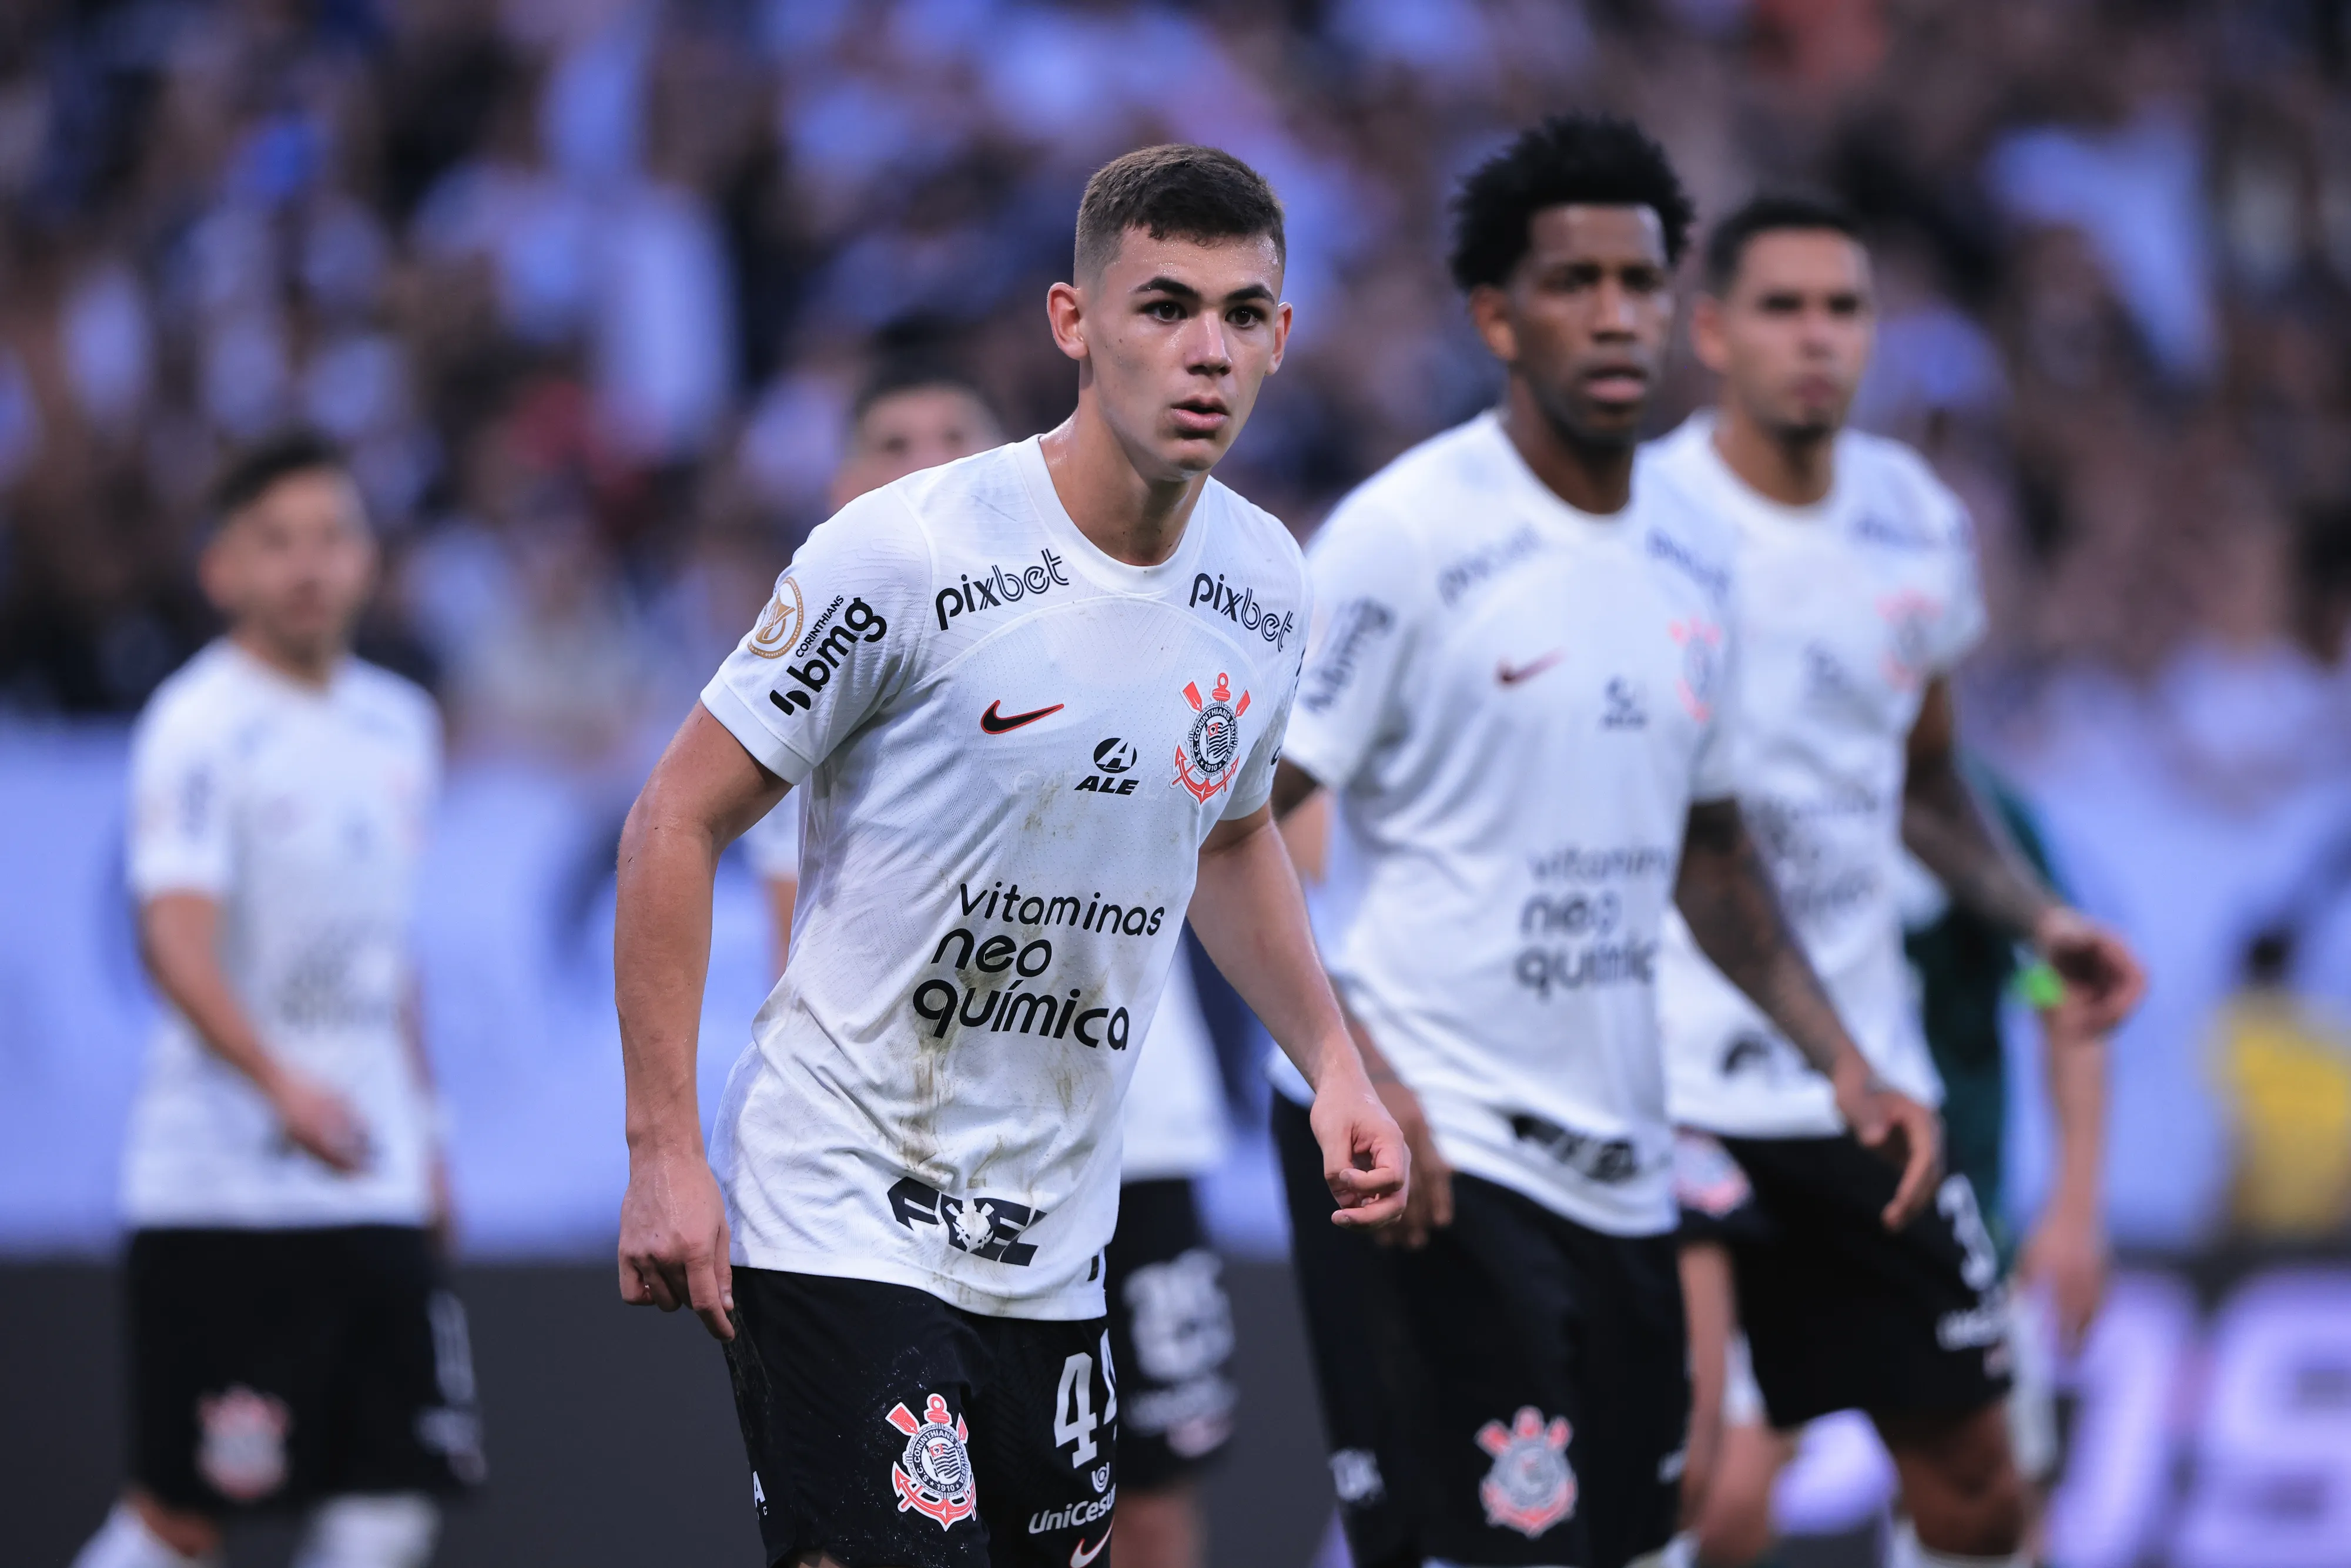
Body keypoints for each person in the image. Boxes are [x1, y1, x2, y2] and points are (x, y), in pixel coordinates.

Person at [612, 143, 1408, 1568]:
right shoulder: (906, 549)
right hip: (842, 1192)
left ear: (1283, 338)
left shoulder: (1267, 581)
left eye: (1240, 314)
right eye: (1162, 306)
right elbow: (675, 816)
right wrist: (665, 1147)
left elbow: (1226, 837)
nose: (1204, 349)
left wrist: (1330, 1060)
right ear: (1071, 322)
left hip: (1051, 1229)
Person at [1263, 116, 1941, 1568]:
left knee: (1638, 1541)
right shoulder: (1403, 535)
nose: (1617, 313)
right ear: (1495, 316)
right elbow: (1242, 818)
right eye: (1574, 283)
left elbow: (1706, 852)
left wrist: (1841, 1057)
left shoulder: (1694, 556)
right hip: (1428, 1124)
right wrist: (1358, 1071)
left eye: (1639, 280)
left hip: (1618, 1152)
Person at [1652, 194, 2145, 1568]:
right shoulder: (1643, 525)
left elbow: (1928, 783)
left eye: (1842, 308)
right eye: (1780, 307)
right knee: (1703, 1486)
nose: (1816, 338)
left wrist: (2037, 919)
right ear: (1710, 332)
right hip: (1671, 1077)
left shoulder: (1914, 522)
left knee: (1980, 1488)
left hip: (1870, 1099)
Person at [742, 359, 1241, 1568]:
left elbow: (1245, 828)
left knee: (1149, 1507)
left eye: (950, 433)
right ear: (841, 480)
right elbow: (778, 929)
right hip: (892, 1171)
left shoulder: (1124, 614)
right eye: (889, 437)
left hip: (1125, 1145)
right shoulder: (826, 653)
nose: (922, 457)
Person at [73, 433, 480, 1568]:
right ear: (225, 570)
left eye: (332, 536)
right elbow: (172, 937)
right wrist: (277, 1082)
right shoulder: (197, 725)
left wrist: (430, 1131)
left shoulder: (401, 723)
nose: (309, 565)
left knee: (394, 1490)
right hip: (226, 1184)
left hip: (373, 1169)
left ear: (367, 559)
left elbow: (389, 953)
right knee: (184, 1515)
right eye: (277, 542)